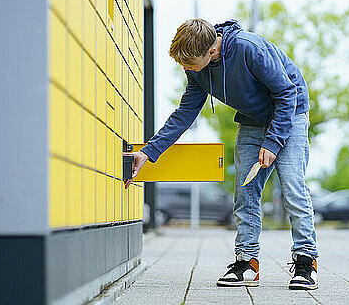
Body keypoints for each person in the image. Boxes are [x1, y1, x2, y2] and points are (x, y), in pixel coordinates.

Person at [123, 18, 318, 290]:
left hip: (291, 113)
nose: (185, 69)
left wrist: (273, 143)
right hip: (252, 120)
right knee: (244, 191)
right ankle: (247, 262)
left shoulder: (249, 48)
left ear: (211, 51)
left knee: (292, 186)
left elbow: (287, 93)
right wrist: (149, 151)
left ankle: (306, 261)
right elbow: (185, 114)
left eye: (189, 64)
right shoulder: (196, 70)